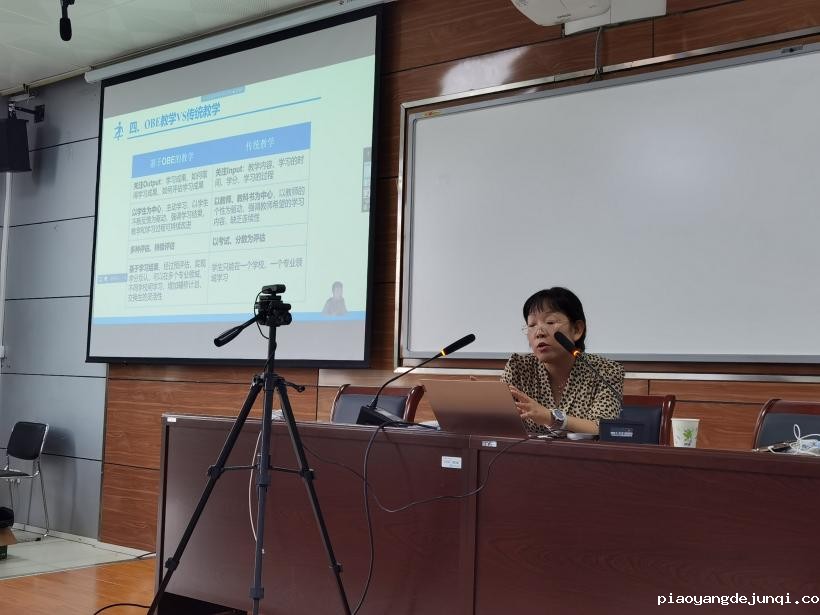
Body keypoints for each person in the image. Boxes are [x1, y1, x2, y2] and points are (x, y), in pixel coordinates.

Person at [501, 287, 623, 435]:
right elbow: (499, 421)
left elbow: (604, 428)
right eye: (532, 325)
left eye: (550, 322)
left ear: (577, 329)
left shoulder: (605, 371)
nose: (539, 332)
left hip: (583, 451)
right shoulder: (518, 367)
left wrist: (551, 418)